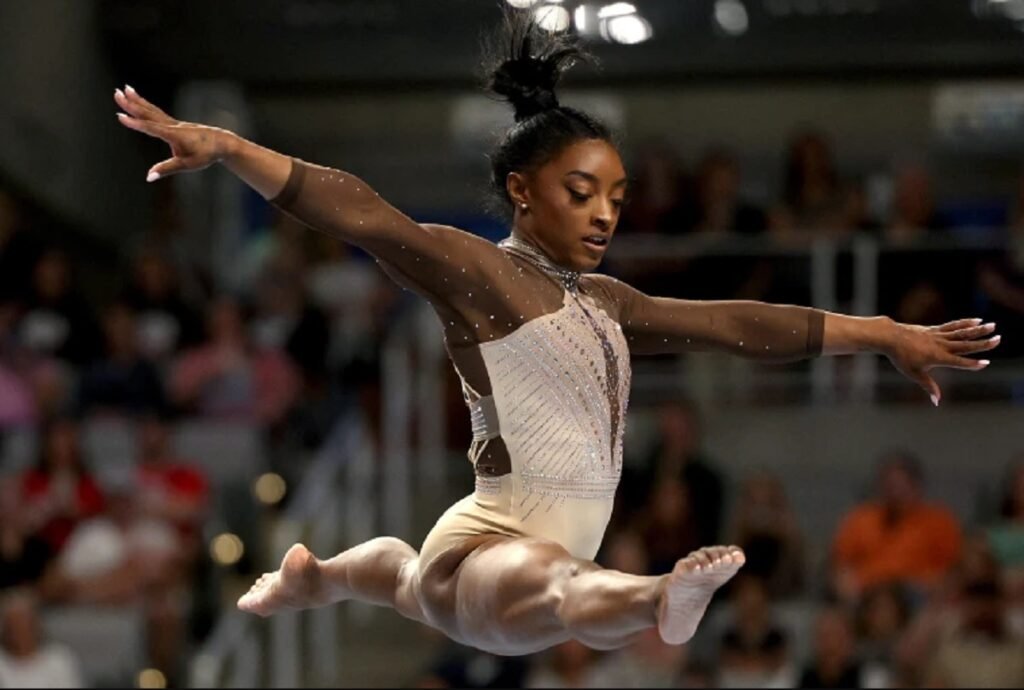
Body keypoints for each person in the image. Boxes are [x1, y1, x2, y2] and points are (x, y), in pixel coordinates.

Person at [114, 10, 999, 656]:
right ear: (524, 192)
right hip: (491, 556)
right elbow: (371, 219)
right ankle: (659, 593)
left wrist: (882, 330)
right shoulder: (480, 274)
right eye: (582, 193)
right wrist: (232, 149)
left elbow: (735, 324)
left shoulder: (606, 304)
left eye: (616, 196)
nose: (606, 214)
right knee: (551, 584)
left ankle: (321, 576)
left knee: (412, 577)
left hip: (491, 565)